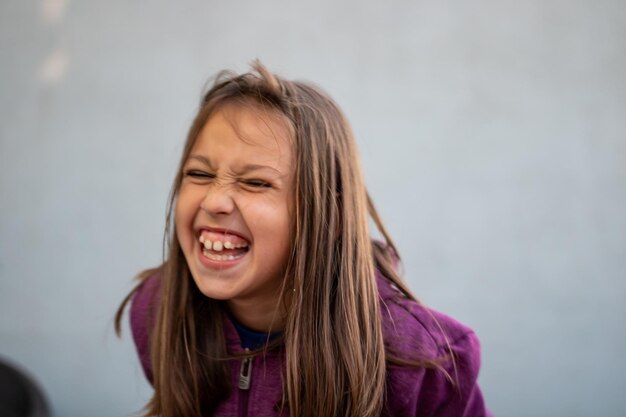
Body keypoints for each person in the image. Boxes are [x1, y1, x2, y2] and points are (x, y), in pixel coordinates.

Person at [115, 61, 492, 417]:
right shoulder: (157, 311)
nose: (214, 201)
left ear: (330, 216)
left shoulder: (426, 361)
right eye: (199, 174)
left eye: (255, 182)